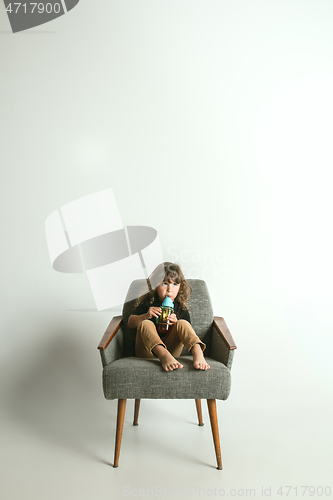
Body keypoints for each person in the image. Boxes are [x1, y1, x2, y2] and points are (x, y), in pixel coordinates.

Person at [128, 262, 210, 372]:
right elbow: (130, 323)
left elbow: (187, 332)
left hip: (172, 352)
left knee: (183, 323)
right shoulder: (149, 304)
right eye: (165, 283)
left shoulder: (181, 309)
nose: (169, 289)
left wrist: (176, 323)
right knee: (145, 323)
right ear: (155, 285)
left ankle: (198, 351)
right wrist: (145, 316)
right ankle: (163, 354)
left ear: (180, 288)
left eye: (175, 284)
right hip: (146, 351)